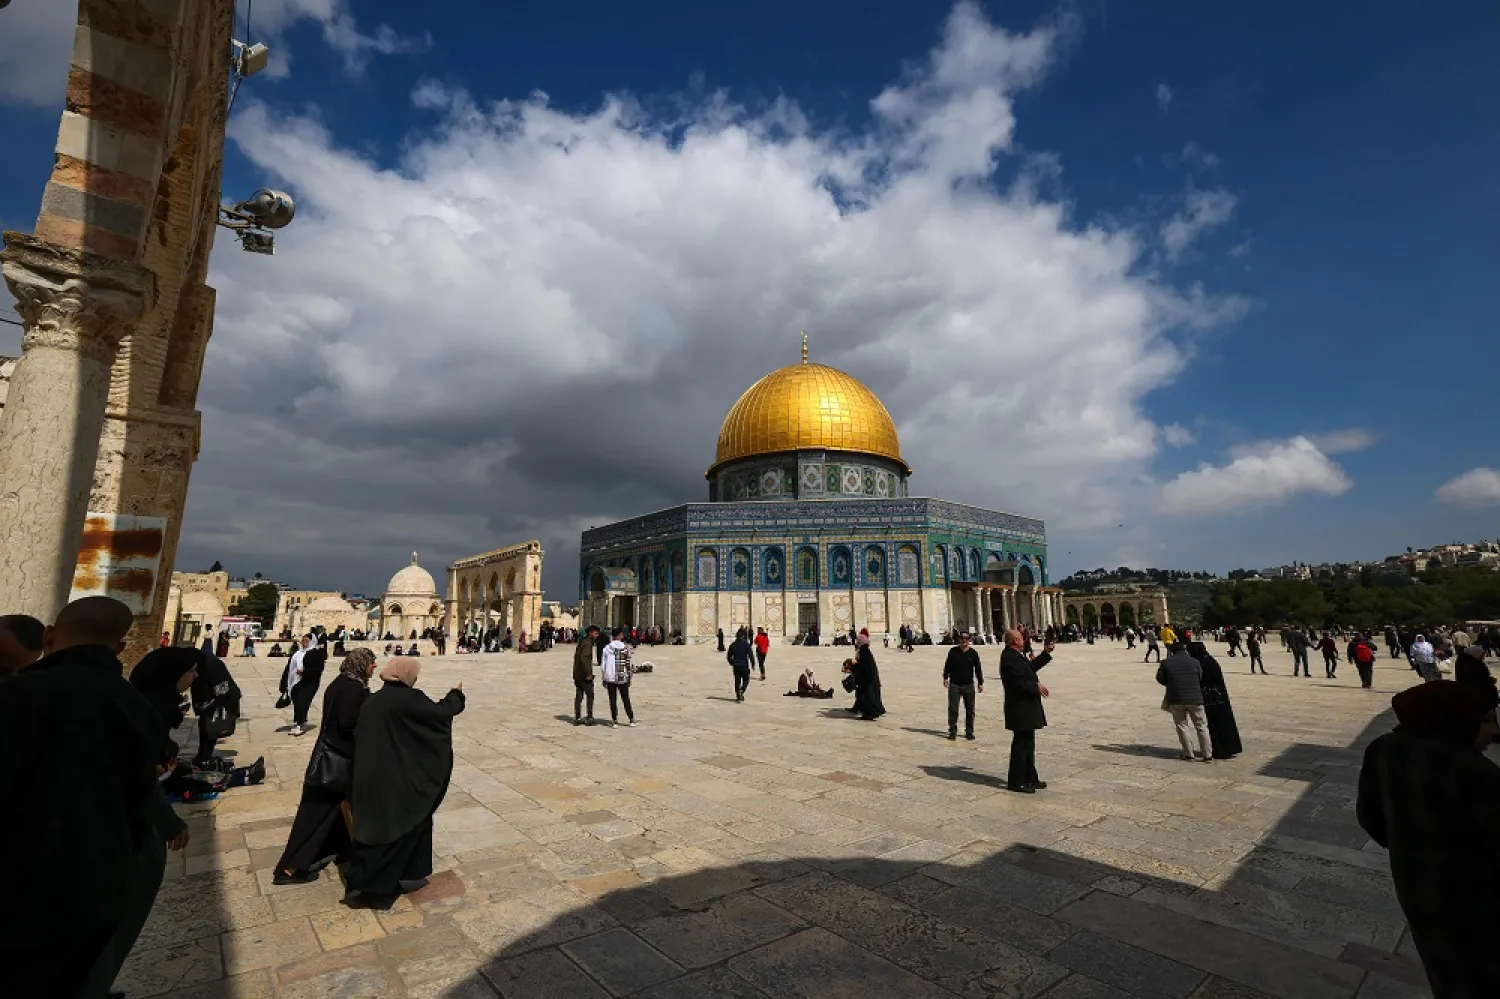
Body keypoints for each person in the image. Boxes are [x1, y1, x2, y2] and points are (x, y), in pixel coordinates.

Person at [0, 597, 167, 998]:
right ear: (121, 650)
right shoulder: (137, 707)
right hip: (95, 892)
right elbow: (140, 797)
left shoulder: (18, 696)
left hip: (18, 896)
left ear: (50, 636)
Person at [1357, 681, 1500, 996]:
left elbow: (1370, 818)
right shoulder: (1473, 771)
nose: (1494, 732)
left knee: (1446, 972)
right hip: (1480, 904)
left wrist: (1412, 846)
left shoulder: (1381, 749)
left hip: (1416, 889)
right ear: (1454, 720)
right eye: (1486, 721)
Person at [343, 659, 465, 909]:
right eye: (415, 674)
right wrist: (456, 695)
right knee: (402, 826)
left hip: (370, 779)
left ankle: (372, 882)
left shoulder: (374, 700)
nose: (416, 679)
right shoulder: (409, 699)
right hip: (395, 782)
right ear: (406, 675)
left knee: (379, 831)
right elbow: (439, 714)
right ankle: (378, 889)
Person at [275, 648, 378, 884]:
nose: (374, 667)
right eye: (371, 662)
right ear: (361, 663)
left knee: (333, 810)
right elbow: (349, 724)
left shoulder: (343, 682)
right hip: (336, 762)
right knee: (316, 813)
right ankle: (289, 868)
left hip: (329, 757)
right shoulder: (352, 688)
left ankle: (342, 849)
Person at [1000, 628, 1053, 793]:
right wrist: (1036, 686)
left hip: (1025, 708)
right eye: (1022, 638)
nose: (1024, 640)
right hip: (1019, 708)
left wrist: (1045, 654)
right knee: (1021, 746)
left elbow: (1029, 669)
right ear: (1015, 641)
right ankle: (1016, 781)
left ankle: (1030, 777)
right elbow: (1016, 683)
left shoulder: (1015, 656)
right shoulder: (1008, 658)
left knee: (1028, 745)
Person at [1158, 644, 1213, 762]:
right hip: (1195, 698)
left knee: (1182, 726)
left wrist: (1172, 684)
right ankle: (1207, 754)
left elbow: (1160, 678)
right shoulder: (1195, 662)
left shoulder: (1166, 663)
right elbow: (1200, 677)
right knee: (1201, 726)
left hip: (1176, 698)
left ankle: (1188, 753)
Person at [1187, 641, 1242, 759]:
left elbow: (1203, 680)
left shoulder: (1204, 663)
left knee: (1214, 724)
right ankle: (1227, 747)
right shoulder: (1208, 660)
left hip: (1212, 698)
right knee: (1222, 723)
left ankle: (1221, 749)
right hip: (1218, 697)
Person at [943, 630, 982, 740]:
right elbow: (947, 665)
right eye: (962, 638)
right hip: (955, 684)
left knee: (970, 710)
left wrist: (980, 682)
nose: (964, 640)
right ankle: (953, 731)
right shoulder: (953, 652)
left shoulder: (973, 653)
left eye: (966, 638)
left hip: (968, 685)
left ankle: (969, 732)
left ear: (969, 640)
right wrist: (945, 677)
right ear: (959, 639)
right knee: (953, 709)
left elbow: (978, 668)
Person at [289, 633, 328, 736]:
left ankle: (300, 725)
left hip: (310, 682)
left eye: (306, 641)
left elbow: (318, 669)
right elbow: (290, 666)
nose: (304, 643)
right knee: (296, 699)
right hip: (298, 681)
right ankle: (299, 722)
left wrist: (304, 672)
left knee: (303, 702)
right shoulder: (299, 653)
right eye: (303, 641)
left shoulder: (316, 653)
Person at [601, 627, 636, 726]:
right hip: (622, 676)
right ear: (620, 635)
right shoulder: (625, 648)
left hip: (610, 677)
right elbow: (628, 664)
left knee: (612, 700)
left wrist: (604, 677)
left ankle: (614, 720)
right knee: (626, 699)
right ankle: (631, 719)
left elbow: (603, 664)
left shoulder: (607, 648)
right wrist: (629, 676)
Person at [848, 628, 886, 720]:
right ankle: (866, 713)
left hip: (868, 679)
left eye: (858, 640)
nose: (856, 642)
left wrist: (854, 664)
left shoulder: (863, 650)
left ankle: (869, 714)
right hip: (869, 678)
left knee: (868, 697)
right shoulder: (865, 649)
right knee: (866, 696)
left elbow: (863, 665)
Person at [574, 625, 599, 725]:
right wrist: (588, 673)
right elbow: (584, 658)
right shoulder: (588, 644)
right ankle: (589, 717)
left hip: (578, 674)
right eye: (595, 633)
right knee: (590, 695)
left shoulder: (582, 642)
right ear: (590, 633)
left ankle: (578, 717)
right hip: (584, 675)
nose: (597, 635)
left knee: (579, 695)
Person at [727, 629, 754, 701]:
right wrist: (753, 664)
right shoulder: (746, 644)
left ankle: (738, 695)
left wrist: (732, 663)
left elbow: (728, 656)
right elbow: (750, 655)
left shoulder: (733, 645)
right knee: (746, 679)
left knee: (737, 681)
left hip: (736, 666)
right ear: (743, 636)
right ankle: (742, 690)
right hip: (744, 665)